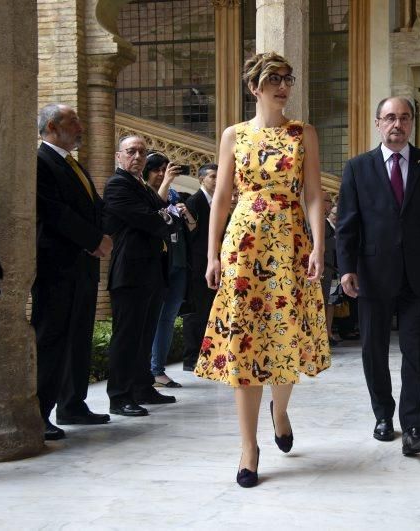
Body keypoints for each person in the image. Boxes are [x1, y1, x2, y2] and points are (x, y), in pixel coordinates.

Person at [194, 52, 330, 488]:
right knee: (245, 342)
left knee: (285, 333)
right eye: (274, 80)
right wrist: (213, 254)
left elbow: (312, 195)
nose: (283, 87)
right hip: (244, 246)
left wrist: (318, 247)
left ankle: (281, 409)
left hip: (290, 244)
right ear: (255, 87)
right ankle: (248, 446)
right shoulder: (234, 135)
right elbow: (220, 199)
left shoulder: (302, 133)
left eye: (287, 79)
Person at [336, 96, 420, 457]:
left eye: (404, 118)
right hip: (373, 273)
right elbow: (347, 225)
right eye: (389, 118)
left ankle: (415, 426)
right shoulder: (358, 168)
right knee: (374, 349)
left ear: (412, 122)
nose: (397, 124)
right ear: (377, 123)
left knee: (415, 348)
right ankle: (383, 416)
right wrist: (346, 269)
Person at [33, 103, 112, 440]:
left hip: (83, 264)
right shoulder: (41, 161)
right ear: (52, 126)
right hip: (58, 265)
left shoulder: (72, 163)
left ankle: (72, 404)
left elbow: (93, 206)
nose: (81, 125)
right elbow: (53, 211)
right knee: (52, 338)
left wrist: (102, 237)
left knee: (78, 337)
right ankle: (39, 414)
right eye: (73, 120)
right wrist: (94, 240)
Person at [103, 136, 179, 416]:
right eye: (131, 151)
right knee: (127, 336)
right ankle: (119, 395)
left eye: (141, 152)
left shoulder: (141, 185)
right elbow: (153, 220)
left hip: (152, 270)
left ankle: (142, 387)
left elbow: (166, 216)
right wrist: (164, 218)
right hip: (130, 271)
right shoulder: (117, 184)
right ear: (118, 156)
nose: (137, 156)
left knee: (145, 333)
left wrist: (163, 217)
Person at [143, 153, 196, 388]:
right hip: (159, 263)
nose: (163, 174)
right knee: (153, 318)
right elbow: (155, 208)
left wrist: (186, 213)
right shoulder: (144, 191)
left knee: (167, 318)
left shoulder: (175, 195)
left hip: (179, 262)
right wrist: (166, 183)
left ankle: (158, 369)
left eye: (167, 169)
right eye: (158, 170)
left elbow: (192, 227)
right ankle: (149, 370)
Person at [182, 163, 218, 372]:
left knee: (209, 310)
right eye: (213, 176)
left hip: (212, 262)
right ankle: (191, 357)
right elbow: (193, 235)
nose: (216, 180)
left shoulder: (216, 202)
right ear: (201, 179)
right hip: (198, 264)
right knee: (196, 311)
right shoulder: (194, 201)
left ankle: (207, 353)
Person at [320, 192, 338, 345]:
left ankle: (327, 333)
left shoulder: (325, 223)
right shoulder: (317, 222)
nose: (330, 204)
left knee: (329, 302)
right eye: (328, 201)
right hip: (322, 270)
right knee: (321, 303)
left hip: (331, 270)